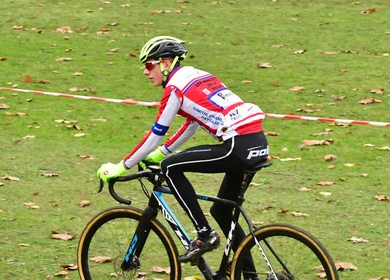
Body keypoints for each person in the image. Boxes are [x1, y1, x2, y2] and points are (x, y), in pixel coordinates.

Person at [97, 35, 269, 264]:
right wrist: (160, 153)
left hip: (237, 145)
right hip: (255, 142)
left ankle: (205, 235)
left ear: (165, 64)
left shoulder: (175, 87)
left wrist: (120, 167)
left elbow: (155, 133)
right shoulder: (199, 76)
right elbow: (191, 124)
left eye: (149, 65)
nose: (146, 72)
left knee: (170, 168)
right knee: (222, 211)